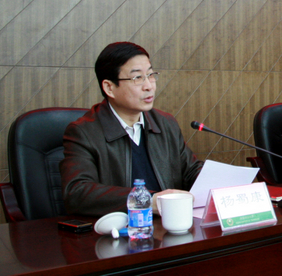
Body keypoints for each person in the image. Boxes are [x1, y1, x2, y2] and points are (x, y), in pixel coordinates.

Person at [60, 42, 203, 216]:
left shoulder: (165, 123)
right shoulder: (84, 132)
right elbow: (77, 192)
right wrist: (146, 201)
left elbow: (191, 171)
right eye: (137, 78)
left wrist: (220, 183)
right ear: (109, 88)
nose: (149, 86)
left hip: (168, 225)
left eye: (150, 75)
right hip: (121, 229)